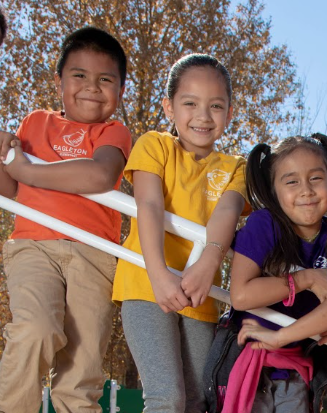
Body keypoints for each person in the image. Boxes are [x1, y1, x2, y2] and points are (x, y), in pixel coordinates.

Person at [0, 27, 131, 413]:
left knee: (82, 369)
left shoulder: (114, 132)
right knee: (36, 330)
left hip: (94, 255)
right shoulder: (35, 124)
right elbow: (8, 191)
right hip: (34, 246)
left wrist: (29, 172)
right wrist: (6, 152)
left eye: (105, 79)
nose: (91, 87)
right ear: (59, 82)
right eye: (79, 76)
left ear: (120, 91)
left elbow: (98, 175)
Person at [112, 53, 249, 413]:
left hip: (199, 291)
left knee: (198, 399)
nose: (203, 116)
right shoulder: (154, 145)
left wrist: (208, 262)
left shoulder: (237, 167)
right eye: (190, 103)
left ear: (229, 114)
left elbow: (227, 211)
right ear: (169, 107)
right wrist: (158, 275)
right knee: (166, 397)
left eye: (216, 106)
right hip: (146, 282)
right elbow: (150, 206)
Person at [219, 134, 327, 413]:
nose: (306, 190)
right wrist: (306, 279)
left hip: (298, 363)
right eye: (292, 181)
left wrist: (281, 337)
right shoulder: (265, 223)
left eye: (316, 178)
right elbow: (241, 295)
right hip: (249, 357)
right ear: (274, 191)